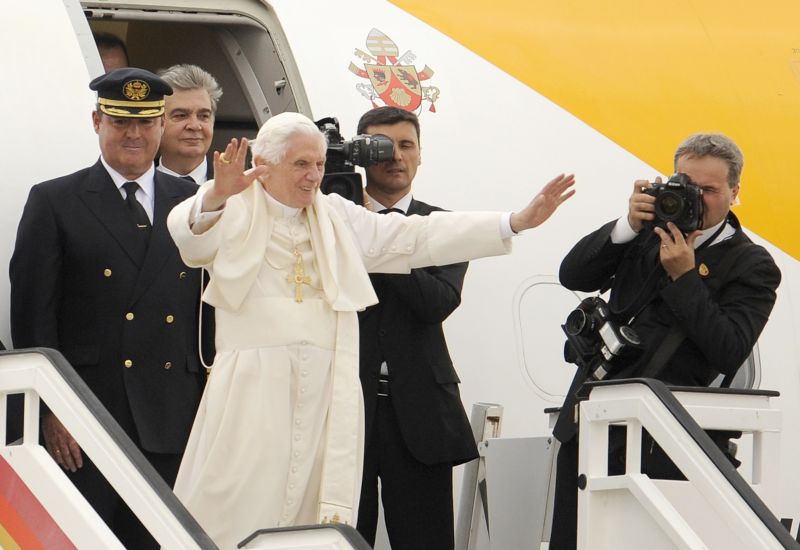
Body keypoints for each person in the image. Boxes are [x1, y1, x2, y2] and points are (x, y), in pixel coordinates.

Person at [167, 111, 575, 548]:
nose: (314, 176)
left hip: (323, 398)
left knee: (310, 517)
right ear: (264, 164)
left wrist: (512, 221)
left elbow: (415, 236)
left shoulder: (333, 213)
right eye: (301, 164)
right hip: (253, 392)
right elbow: (189, 238)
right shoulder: (233, 205)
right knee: (237, 501)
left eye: (319, 164)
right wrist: (216, 194)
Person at [549, 133, 781, 550]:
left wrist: (685, 277)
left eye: (709, 190)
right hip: (593, 424)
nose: (696, 198)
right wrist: (626, 225)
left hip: (669, 446)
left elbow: (729, 350)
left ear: (735, 192)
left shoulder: (752, 264)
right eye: (686, 185)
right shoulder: (645, 232)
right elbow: (572, 275)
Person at [9, 68, 207, 549]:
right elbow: (33, 320)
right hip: (88, 420)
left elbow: (213, 318)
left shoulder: (196, 202)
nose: (133, 135)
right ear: (97, 122)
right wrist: (51, 412)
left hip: (174, 417)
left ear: (160, 126)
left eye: (145, 123)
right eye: (120, 122)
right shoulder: (56, 200)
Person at [352, 106, 474, 550]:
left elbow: (437, 303)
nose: (396, 156)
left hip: (421, 413)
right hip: (346, 408)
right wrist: (359, 222)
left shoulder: (443, 226)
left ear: (421, 154)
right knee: (339, 538)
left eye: (407, 145)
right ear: (360, 155)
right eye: (383, 147)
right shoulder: (330, 219)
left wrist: (379, 236)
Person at [156, 64, 222, 185]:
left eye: (203, 116)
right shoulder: (133, 187)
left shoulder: (238, 188)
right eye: (181, 115)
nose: (195, 126)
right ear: (157, 122)